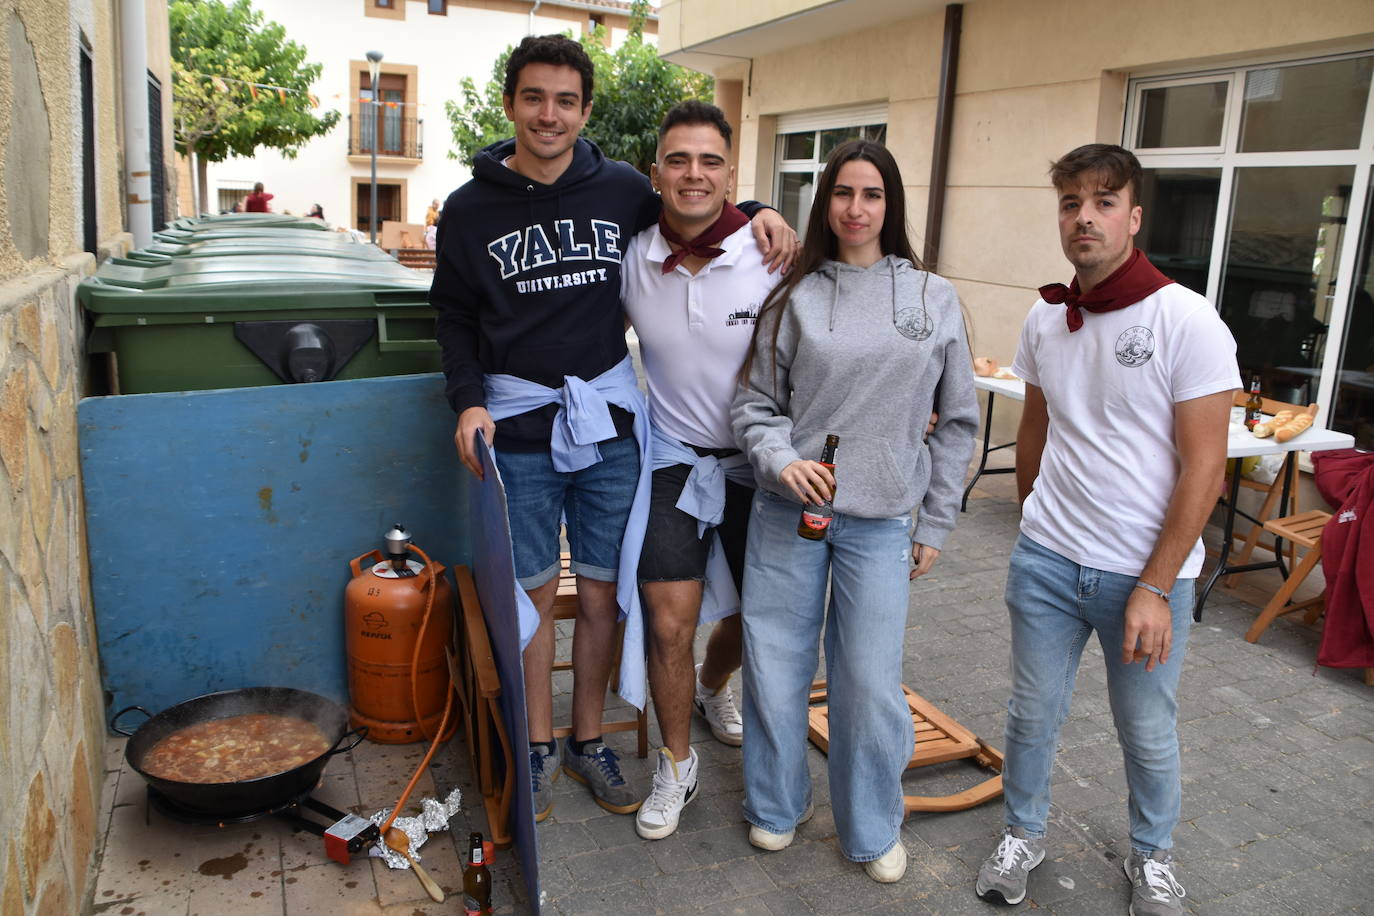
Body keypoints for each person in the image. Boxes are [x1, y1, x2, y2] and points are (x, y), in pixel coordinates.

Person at [430, 34, 795, 822]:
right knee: (531, 598)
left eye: (566, 101)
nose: (549, 115)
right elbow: (453, 315)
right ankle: (534, 744)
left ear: (586, 111)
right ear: (511, 105)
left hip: (610, 429)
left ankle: (587, 739)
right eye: (534, 98)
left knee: (603, 594)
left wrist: (765, 213)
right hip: (518, 428)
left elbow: (701, 205)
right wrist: (466, 400)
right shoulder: (468, 209)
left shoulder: (621, 187)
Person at [973, 144, 1238, 914]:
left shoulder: (1186, 320)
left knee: (1147, 731)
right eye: (1069, 203)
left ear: (1134, 216)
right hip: (1049, 562)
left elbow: (1205, 468)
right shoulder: (1046, 316)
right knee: (1030, 714)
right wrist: (1032, 520)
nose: (1084, 217)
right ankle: (1023, 832)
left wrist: (1157, 585)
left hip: (1142, 579)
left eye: (1103, 201)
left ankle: (1153, 858)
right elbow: (1037, 424)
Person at [732, 139, 978, 883]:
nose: (856, 208)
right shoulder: (792, 297)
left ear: (890, 204)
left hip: (880, 522)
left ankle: (870, 825)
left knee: (868, 680)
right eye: (843, 193)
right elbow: (752, 408)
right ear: (825, 202)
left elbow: (959, 419)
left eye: (871, 194)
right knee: (774, 667)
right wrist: (782, 460)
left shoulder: (934, 299)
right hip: (788, 513)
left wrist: (934, 521)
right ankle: (777, 806)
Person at [618, 101, 776, 840]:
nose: (693, 174)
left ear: (731, 174)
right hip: (673, 462)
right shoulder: (632, 259)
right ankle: (676, 765)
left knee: (756, 616)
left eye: (710, 160)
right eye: (678, 159)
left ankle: (717, 688)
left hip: (761, 467)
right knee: (667, 619)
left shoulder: (772, 254)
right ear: (656, 173)